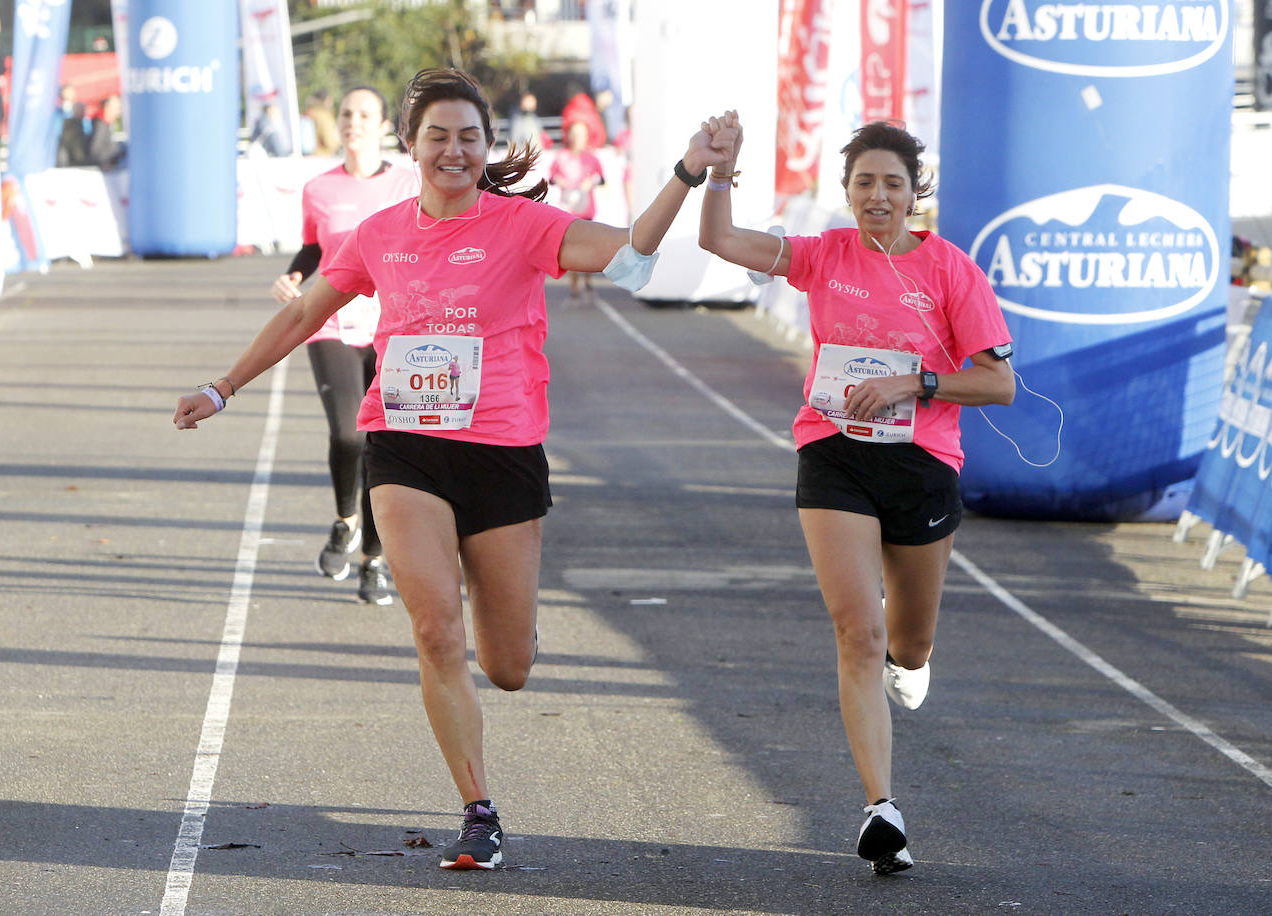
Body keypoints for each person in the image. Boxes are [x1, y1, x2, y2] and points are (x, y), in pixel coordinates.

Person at [175, 66, 734, 870]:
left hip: (503, 454)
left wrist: (686, 172)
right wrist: (220, 387)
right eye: (437, 135)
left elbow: (631, 256)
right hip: (405, 447)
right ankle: (479, 808)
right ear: (412, 146)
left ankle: (508, 631)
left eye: (469, 136)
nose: (453, 150)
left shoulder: (524, 225)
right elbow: (304, 311)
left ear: (486, 146)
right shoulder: (379, 232)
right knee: (435, 629)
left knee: (506, 666)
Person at [698, 114, 1015, 875]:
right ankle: (883, 809)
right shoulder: (824, 255)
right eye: (865, 182)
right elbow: (720, 241)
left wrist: (916, 380)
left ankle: (914, 656)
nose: (878, 196)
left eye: (893, 184)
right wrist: (718, 171)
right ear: (846, 191)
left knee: (904, 640)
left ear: (915, 195)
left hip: (921, 462)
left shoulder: (949, 271)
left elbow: (999, 382)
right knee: (857, 634)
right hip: (833, 452)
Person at [269, 87, 420, 602]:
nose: (353, 122)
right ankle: (345, 519)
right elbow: (315, 246)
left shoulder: (407, 183)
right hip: (332, 322)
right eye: (346, 114)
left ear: (383, 126)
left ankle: (375, 559)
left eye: (364, 115)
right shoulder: (318, 188)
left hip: (394, 326)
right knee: (348, 434)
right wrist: (293, 275)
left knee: (384, 444)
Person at [548, 120, 606, 304]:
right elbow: (551, 178)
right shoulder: (561, 156)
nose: (579, 138)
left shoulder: (592, 158)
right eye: (575, 134)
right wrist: (560, 181)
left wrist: (591, 182)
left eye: (582, 134)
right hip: (568, 210)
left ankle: (588, 283)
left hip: (586, 208)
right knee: (571, 249)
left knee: (590, 247)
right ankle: (574, 288)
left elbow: (602, 178)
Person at [86, 94, 125, 170]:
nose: (119, 112)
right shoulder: (100, 124)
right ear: (107, 107)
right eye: (117, 108)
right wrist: (106, 161)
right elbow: (95, 150)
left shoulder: (107, 124)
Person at [302, 89, 340, 157]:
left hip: (305, 155)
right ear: (327, 100)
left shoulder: (307, 112)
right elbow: (330, 142)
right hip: (322, 156)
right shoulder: (324, 116)